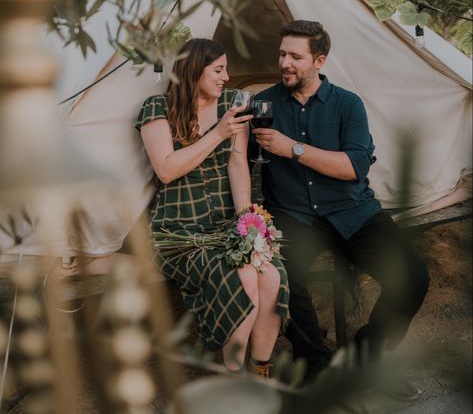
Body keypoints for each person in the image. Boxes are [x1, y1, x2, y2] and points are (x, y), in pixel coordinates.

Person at [250, 20, 430, 386]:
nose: (285, 62)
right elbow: (238, 157)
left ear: (319, 60)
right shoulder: (262, 103)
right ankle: (316, 368)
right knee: (282, 279)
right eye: (282, 53)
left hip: (353, 212)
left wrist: (292, 148)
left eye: (295, 57)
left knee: (412, 277)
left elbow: (354, 167)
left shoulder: (348, 105)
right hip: (293, 216)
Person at [136, 38, 289, 375]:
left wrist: (248, 225)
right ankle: (233, 376)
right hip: (178, 228)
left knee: (271, 274)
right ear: (193, 72)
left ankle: (260, 372)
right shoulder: (156, 107)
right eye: (218, 70)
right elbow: (166, 169)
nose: (226, 76)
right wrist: (217, 134)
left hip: (225, 222)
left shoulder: (234, 103)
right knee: (244, 276)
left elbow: (237, 166)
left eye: (226, 69)